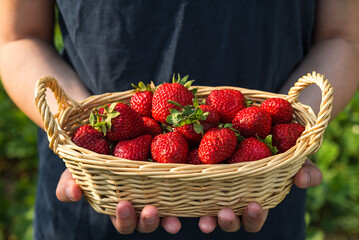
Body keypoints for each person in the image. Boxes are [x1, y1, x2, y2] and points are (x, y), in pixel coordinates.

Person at [0, 0, 358, 239]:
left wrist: (291, 137)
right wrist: (84, 131)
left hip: (261, 187)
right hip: (97, 192)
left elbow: (344, 37)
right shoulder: (99, 145)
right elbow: (18, 38)